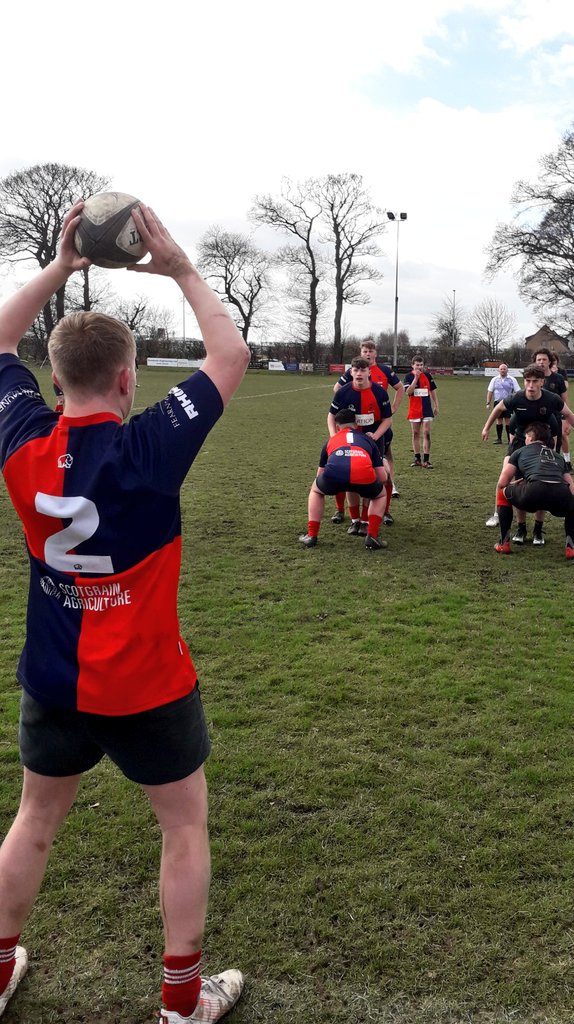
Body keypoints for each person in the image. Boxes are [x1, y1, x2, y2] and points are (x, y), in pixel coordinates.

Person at [0, 202, 250, 1024]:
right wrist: (178, 266)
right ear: (125, 380)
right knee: (183, 828)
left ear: (54, 372)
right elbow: (229, 352)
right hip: (146, 684)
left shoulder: (22, 438)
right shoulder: (149, 446)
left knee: (34, 820)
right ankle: (181, 1004)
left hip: (54, 678)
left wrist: (61, 266)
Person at [482, 364, 574, 542]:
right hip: (520, 443)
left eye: (534, 381)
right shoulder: (517, 398)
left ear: (542, 382)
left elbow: (569, 414)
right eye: (527, 381)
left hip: (546, 442)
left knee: (543, 480)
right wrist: (486, 428)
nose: (530, 385)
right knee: (510, 480)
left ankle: (538, 529)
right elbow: (498, 409)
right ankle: (519, 527)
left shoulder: (551, 399)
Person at [492, 421, 574, 559]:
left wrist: (515, 485)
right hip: (559, 493)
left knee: (502, 493)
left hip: (533, 492)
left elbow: (502, 483)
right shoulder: (558, 457)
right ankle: (571, 548)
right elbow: (572, 491)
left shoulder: (519, 452)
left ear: (529, 437)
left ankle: (504, 543)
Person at [299, 409, 389, 550]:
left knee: (316, 491)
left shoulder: (331, 441)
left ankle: (311, 535)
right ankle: (372, 536)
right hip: (363, 475)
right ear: (356, 425)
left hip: (335, 474)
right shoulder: (368, 440)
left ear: (336, 426)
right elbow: (383, 477)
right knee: (381, 494)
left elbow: (320, 474)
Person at [333, 340, 403, 511]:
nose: (368, 354)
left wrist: (393, 407)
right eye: (365, 351)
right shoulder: (353, 372)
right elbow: (337, 390)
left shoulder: (385, 371)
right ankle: (344, 510)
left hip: (378, 426)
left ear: (375, 353)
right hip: (353, 431)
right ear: (361, 352)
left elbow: (400, 388)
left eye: (371, 351)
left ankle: (389, 489)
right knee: (346, 466)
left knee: (385, 457)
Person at [328, 358, 392, 536]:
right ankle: (355, 520)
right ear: (351, 373)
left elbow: (388, 419)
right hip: (349, 442)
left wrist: (376, 435)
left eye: (362, 370)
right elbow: (331, 416)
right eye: (355, 370)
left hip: (373, 443)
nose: (359, 373)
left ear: (368, 372)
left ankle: (365, 520)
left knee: (373, 479)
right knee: (351, 480)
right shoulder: (343, 393)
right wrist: (335, 437)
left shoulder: (379, 393)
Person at [404, 356, 439, 468]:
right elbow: (408, 392)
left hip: (427, 409)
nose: (419, 367)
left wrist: (436, 405)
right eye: (417, 365)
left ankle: (427, 460)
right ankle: (417, 458)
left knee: (427, 432)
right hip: (414, 409)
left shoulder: (428, 376)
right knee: (415, 433)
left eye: (421, 365)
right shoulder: (408, 377)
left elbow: (433, 391)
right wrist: (415, 379)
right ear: (412, 365)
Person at [550, 352, 573, 471]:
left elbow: (566, 387)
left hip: (560, 407)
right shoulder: (542, 373)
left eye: (554, 360)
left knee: (563, 435)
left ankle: (567, 461)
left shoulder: (561, 372)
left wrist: (555, 374)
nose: (552, 362)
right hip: (546, 408)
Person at [485, 363, 518, 445]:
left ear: (507, 370)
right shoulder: (494, 379)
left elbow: (518, 391)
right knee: (498, 420)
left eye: (504, 369)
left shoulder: (512, 379)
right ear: (499, 370)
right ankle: (499, 439)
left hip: (508, 403)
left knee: (508, 421)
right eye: (501, 369)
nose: (503, 370)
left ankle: (509, 439)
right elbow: (490, 391)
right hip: (497, 402)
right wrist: (488, 402)